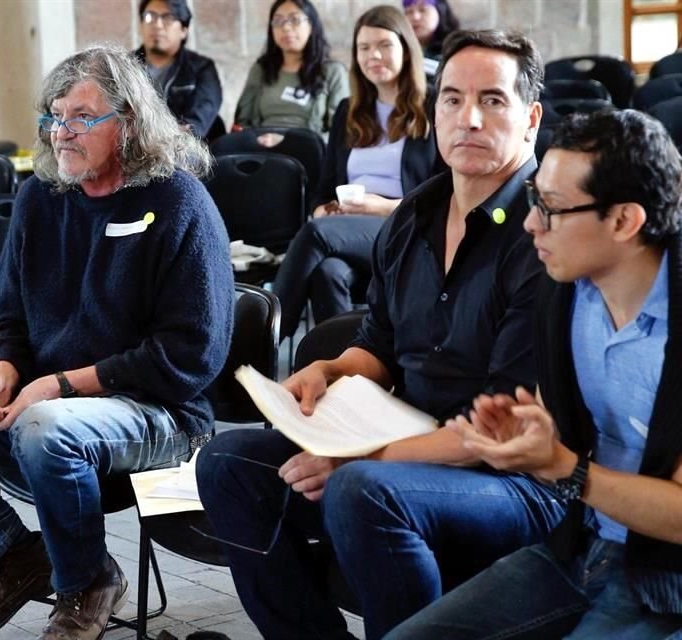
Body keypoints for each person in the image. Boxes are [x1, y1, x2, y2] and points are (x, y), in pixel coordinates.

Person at [197, 30, 567, 639]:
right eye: (451, 99)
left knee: (364, 490)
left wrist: (354, 458)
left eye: (492, 101)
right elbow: (382, 344)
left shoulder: (544, 235)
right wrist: (334, 370)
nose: (468, 118)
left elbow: (501, 432)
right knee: (228, 461)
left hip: (517, 478)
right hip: (405, 441)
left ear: (530, 119)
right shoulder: (414, 216)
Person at [0, 45, 234, 640]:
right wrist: (3, 371)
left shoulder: (177, 201)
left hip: (160, 412)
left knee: (45, 428)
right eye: (54, 116)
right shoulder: (42, 197)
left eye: (81, 118)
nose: (62, 132)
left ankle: (86, 581)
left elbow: (190, 355)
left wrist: (58, 387)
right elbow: (6, 313)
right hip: (46, 406)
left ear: (130, 123)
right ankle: (16, 556)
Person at [386, 110, 682, 639]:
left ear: (624, 221)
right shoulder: (563, 288)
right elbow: (563, 418)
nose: (529, 223)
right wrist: (527, 430)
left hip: (667, 580)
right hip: (579, 546)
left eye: (553, 209)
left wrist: (566, 468)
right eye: (533, 199)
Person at [271, 4, 443, 339]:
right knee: (329, 273)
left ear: (406, 50)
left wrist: (380, 207)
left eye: (384, 45)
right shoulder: (348, 111)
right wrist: (324, 208)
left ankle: (260, 340)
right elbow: (325, 189)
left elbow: (444, 194)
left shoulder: (434, 106)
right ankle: (342, 377)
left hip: (408, 227)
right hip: (349, 230)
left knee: (315, 234)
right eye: (364, 48)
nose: (373, 55)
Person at [234, 0, 349, 135]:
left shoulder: (333, 72)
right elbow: (242, 122)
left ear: (312, 25)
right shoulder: (261, 69)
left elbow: (341, 133)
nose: (286, 27)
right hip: (262, 150)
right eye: (278, 21)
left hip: (310, 150)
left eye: (295, 20)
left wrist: (289, 142)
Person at [133, 0, 223, 139]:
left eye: (168, 18)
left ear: (183, 30)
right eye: (150, 16)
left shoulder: (202, 69)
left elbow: (199, 120)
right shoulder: (124, 67)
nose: (157, 25)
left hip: (183, 150)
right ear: (140, 25)